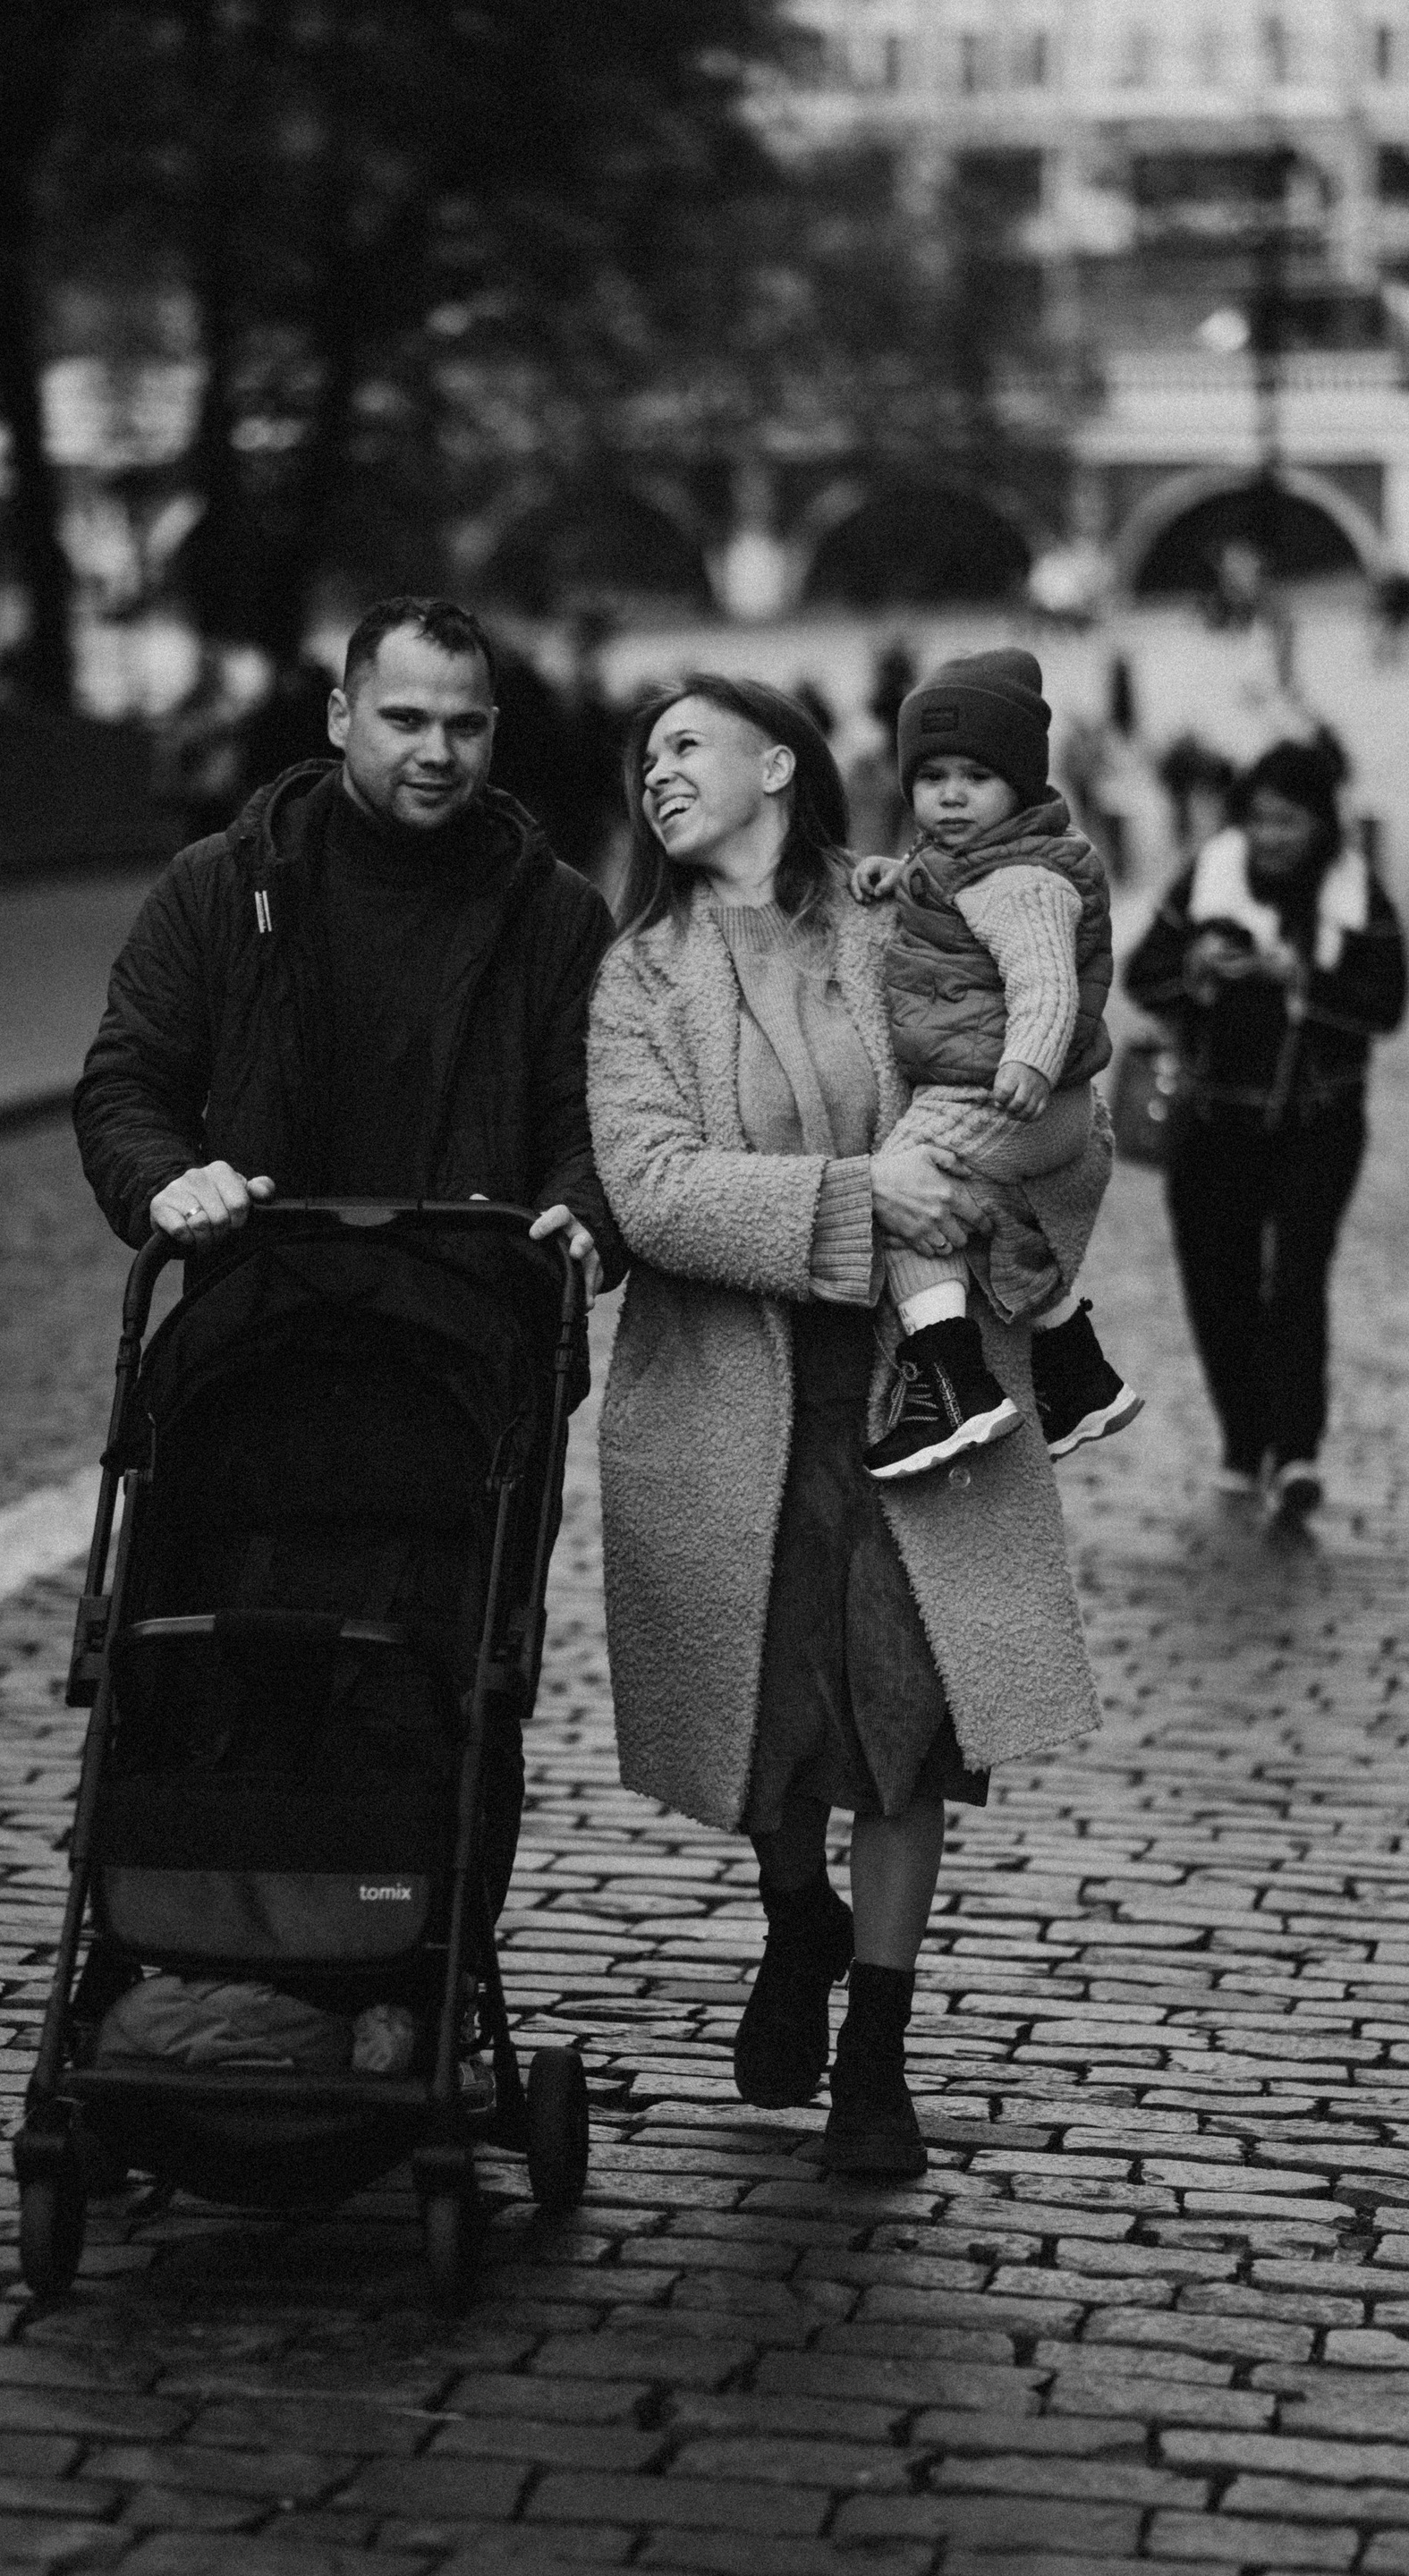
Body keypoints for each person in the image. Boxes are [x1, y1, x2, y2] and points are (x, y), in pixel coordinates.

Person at [587, 674, 1101, 2178]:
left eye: (687, 743)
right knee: (770, 1713)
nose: (657, 771)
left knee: (904, 1722)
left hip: (919, 1388)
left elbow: (1050, 1068)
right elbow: (653, 1190)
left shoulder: (902, 914)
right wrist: (861, 1194)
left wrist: (1001, 1178)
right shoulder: (640, 976)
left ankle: (877, 2046)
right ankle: (795, 1916)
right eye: (645, 754)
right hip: (731, 1399)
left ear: (778, 765)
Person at [75, 592, 625, 1909]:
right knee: (216, 1646)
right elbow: (128, 1084)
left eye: (465, 726)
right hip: (256, 1343)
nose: (437, 752)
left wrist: (583, 1216)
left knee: (449, 1671)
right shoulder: (222, 887)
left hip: (470, 1361)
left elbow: (599, 1121)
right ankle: (193, 1929)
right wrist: (170, 1183)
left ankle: (419, 1959)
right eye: (405, 719)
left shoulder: (555, 916)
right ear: (339, 716)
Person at [849, 648, 1142, 1479]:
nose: (950, 795)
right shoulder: (972, 863)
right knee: (984, 1216)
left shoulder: (1021, 882)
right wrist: (898, 876)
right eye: (931, 776)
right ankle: (1079, 1378)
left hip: (1009, 1093)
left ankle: (951, 1387)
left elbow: (1045, 982)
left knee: (902, 1192)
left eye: (975, 777)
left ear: (1019, 785)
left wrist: (1030, 1063)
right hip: (1016, 1096)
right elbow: (950, 898)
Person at [1123, 736, 1405, 1522]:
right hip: (1213, 1121)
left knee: (1297, 1284)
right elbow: (1145, 972)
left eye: (1288, 822)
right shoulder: (1209, 874)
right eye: (1258, 820)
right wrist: (1197, 969)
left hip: (1318, 1122)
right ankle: (1244, 1442)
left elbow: (1386, 1005)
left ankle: (1296, 1453)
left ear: (1321, 822)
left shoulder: (1357, 893)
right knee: (1218, 1284)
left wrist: (1300, 978)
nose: (1271, 837)